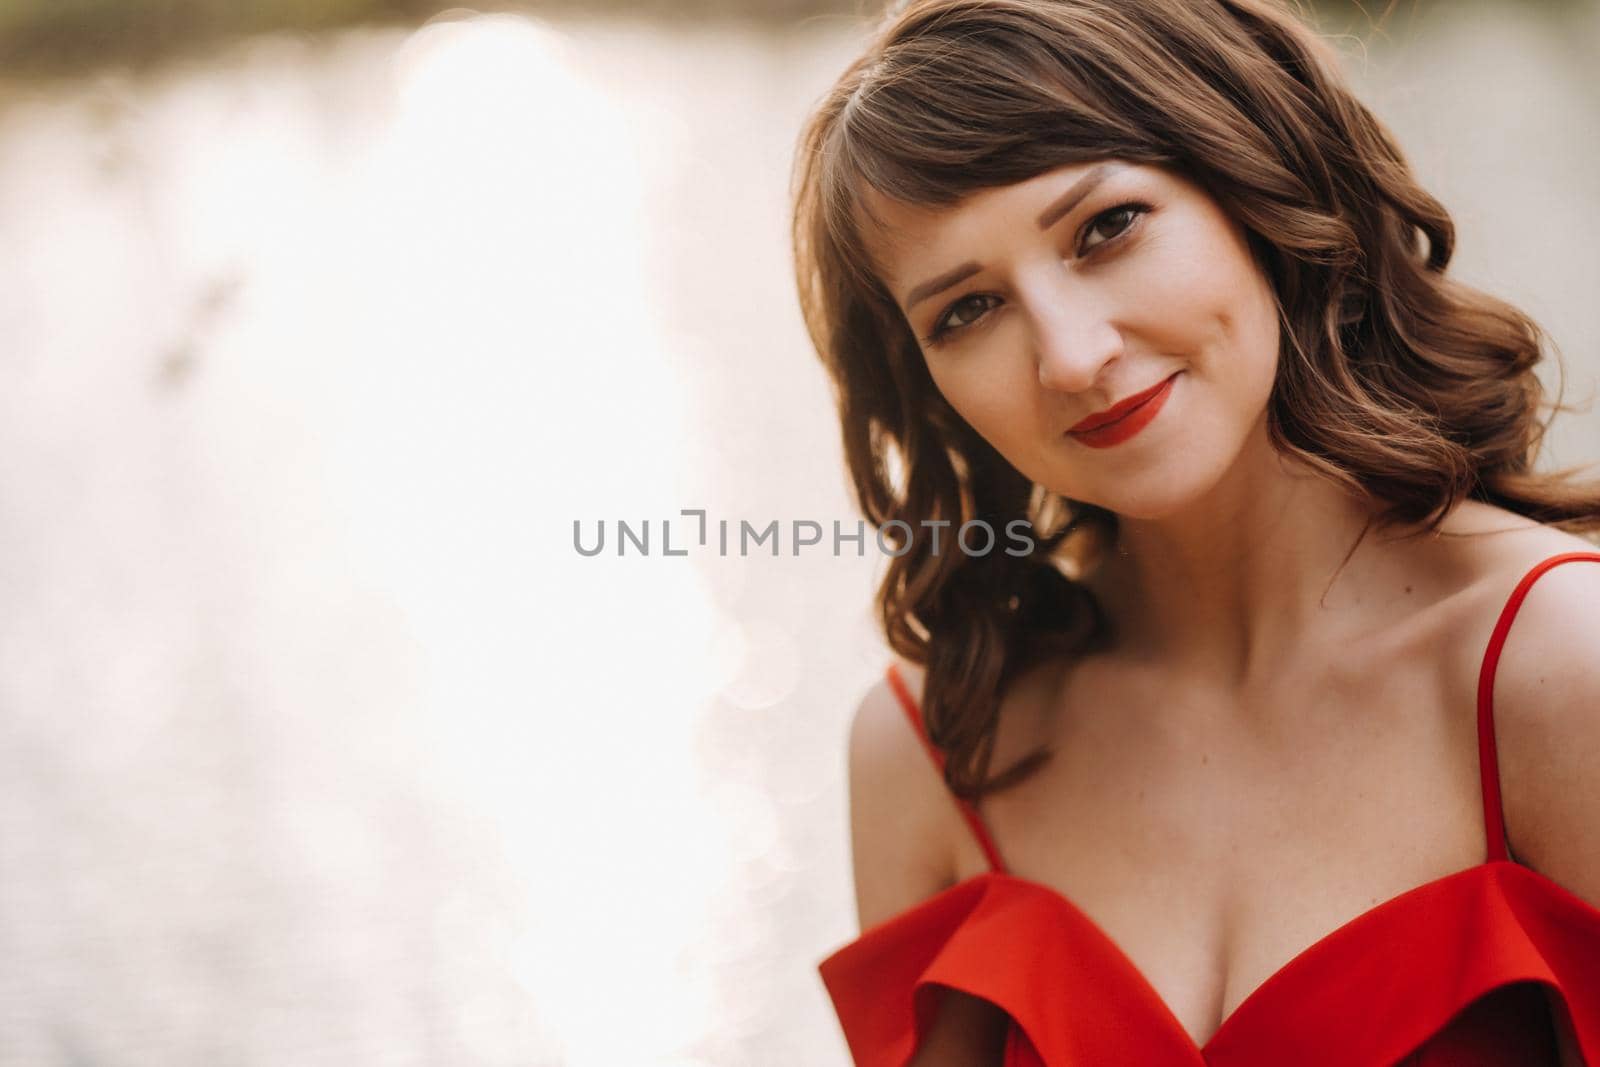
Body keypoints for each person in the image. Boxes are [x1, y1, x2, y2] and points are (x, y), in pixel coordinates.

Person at [788, 0, 1600, 1063]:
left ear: (1257, 181)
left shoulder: (1557, 669)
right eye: (967, 309)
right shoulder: (936, 746)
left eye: (1106, 228)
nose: (1070, 356)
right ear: (926, 383)